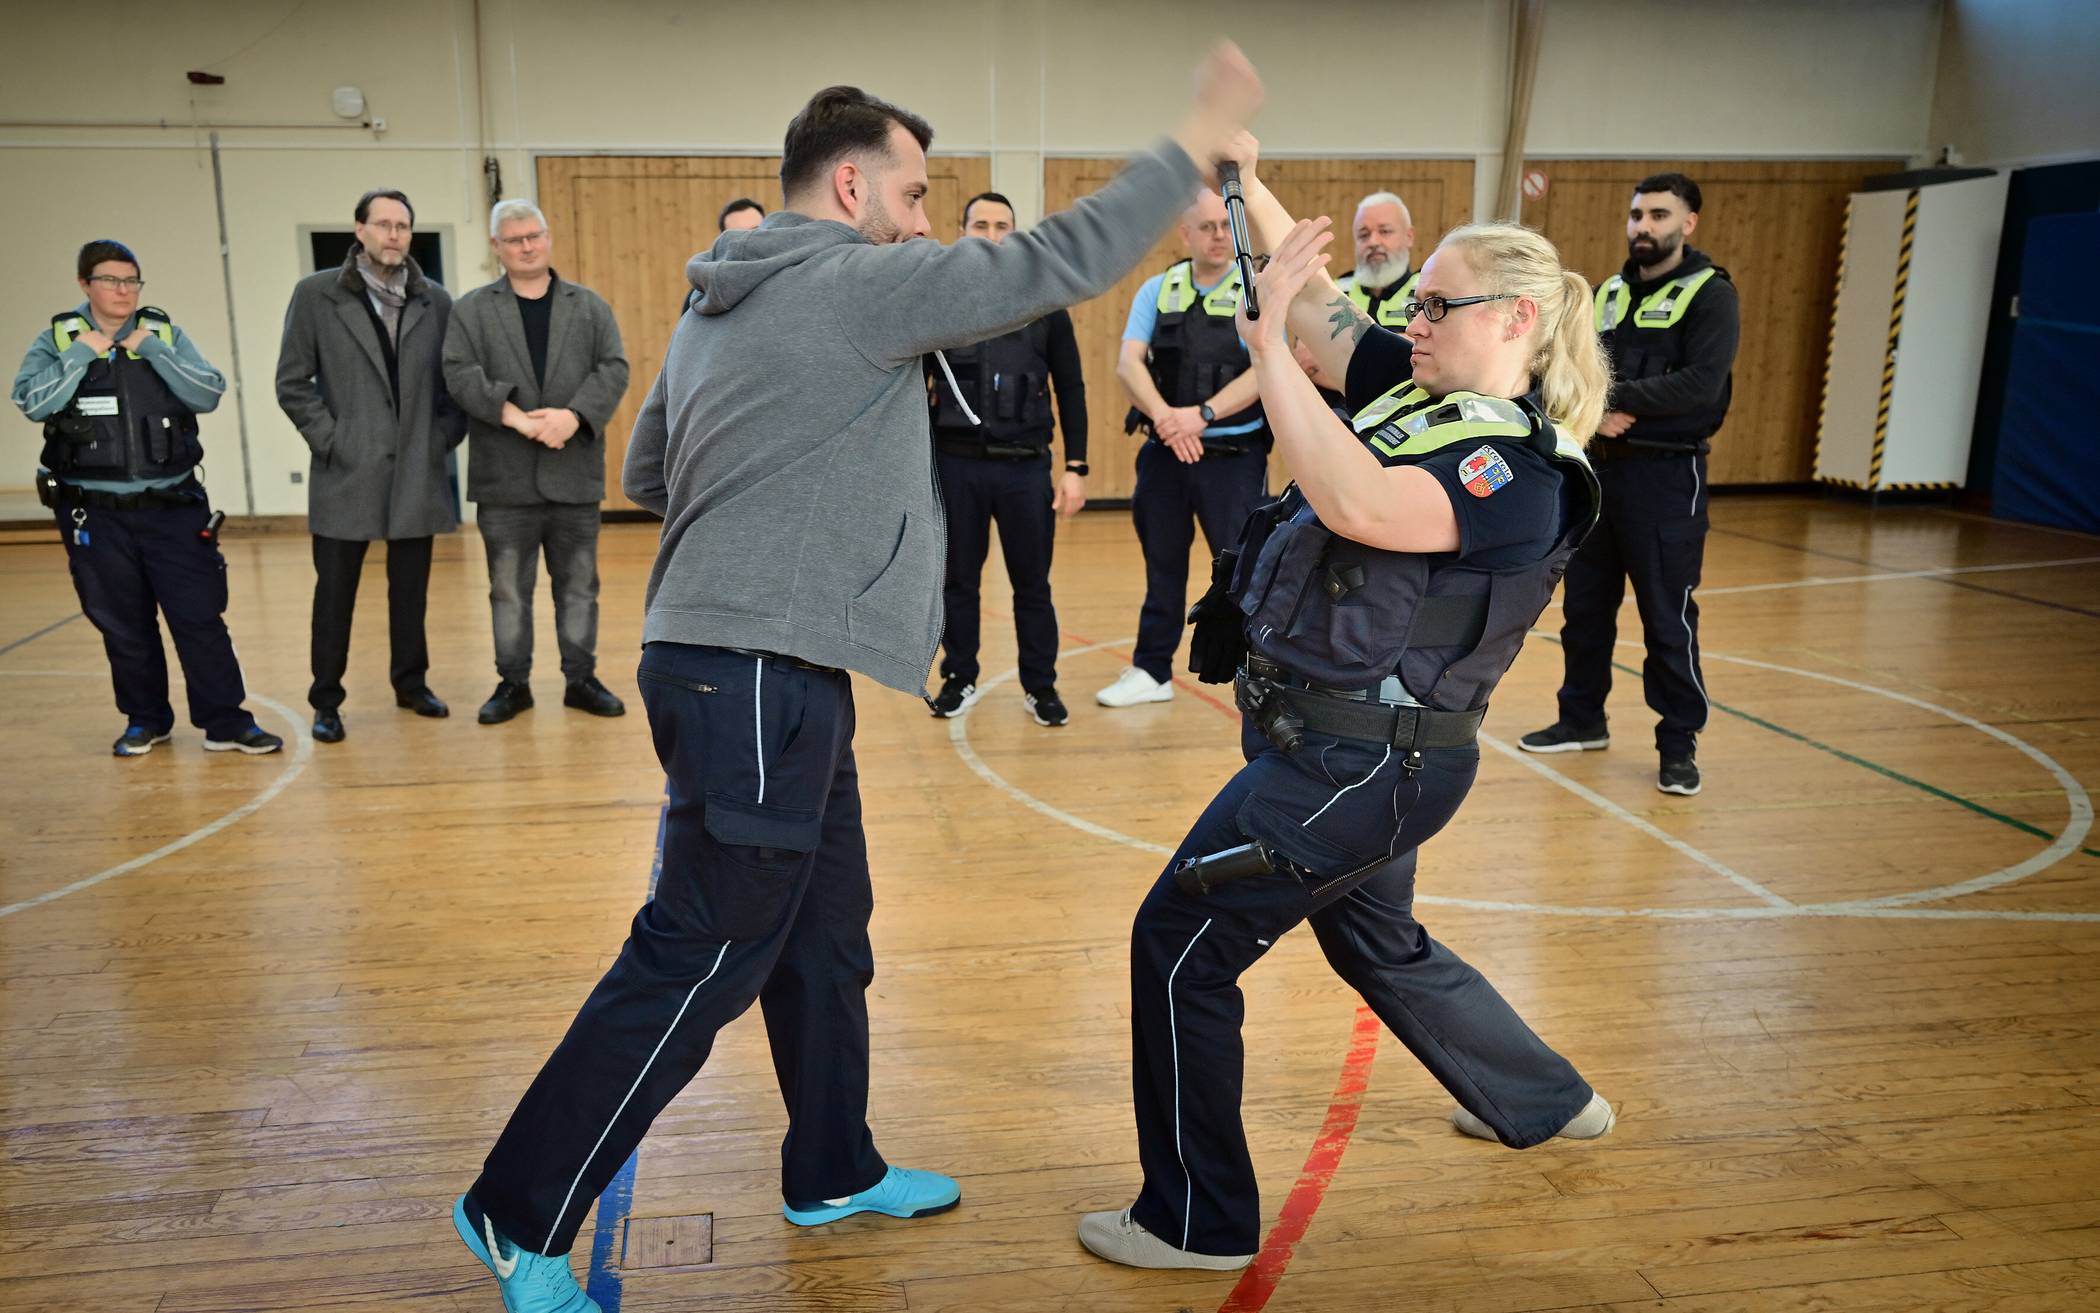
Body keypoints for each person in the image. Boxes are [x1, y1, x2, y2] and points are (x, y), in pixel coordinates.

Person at [451, 50, 1264, 1313]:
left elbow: (649, 469)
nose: (927, 219)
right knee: (703, 950)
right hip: (759, 674)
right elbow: (1059, 259)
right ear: (850, 188)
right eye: (919, 194)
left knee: (825, 935)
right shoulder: (856, 281)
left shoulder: (720, 299)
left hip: (749, 664)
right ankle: (517, 1208)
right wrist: (1191, 142)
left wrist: (774, 521)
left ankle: (831, 1166)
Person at [1077, 139, 1615, 1274]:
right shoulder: (1423, 392)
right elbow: (1321, 309)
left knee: (1177, 942)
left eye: (1436, 305)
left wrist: (1265, 348)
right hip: (1356, 755)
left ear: (1516, 319)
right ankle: (1546, 1098)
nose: (1408, 321)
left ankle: (1197, 1219)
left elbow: (1355, 497)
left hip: (1362, 769)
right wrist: (1243, 182)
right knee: (1379, 942)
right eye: (1411, 306)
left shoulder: (1519, 472)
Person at [10, 240, 281, 757]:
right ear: (84, 284)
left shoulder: (163, 334)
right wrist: (81, 353)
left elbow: (207, 393)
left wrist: (152, 349)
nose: (123, 290)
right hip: (95, 514)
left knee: (200, 618)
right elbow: (31, 401)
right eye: (110, 280)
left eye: (131, 281)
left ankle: (226, 721)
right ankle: (146, 719)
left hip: (173, 509)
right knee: (123, 624)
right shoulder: (58, 340)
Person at [1519, 172, 1739, 796]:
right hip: (1598, 472)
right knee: (1585, 609)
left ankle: (1678, 745)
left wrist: (1610, 398)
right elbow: (1573, 363)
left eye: (1659, 215)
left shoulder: (1710, 294)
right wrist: (1597, 401)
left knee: (1667, 617)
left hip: (1666, 478)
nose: (1644, 226)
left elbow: (1700, 384)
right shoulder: (1609, 291)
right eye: (1637, 215)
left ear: (1688, 222)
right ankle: (1580, 719)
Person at [276, 188, 466, 743]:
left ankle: (411, 685)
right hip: (346, 471)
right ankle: (326, 700)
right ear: (359, 230)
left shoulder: (436, 300)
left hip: (415, 470)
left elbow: (453, 384)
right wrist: (332, 441)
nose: (393, 235)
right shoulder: (316, 295)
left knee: (411, 592)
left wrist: (439, 441)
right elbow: (292, 382)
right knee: (334, 594)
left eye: (402, 226)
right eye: (382, 224)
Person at [443, 199, 632, 726]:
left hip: (573, 474)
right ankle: (513, 683)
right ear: (496, 247)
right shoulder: (472, 310)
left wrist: (573, 416)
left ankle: (580, 679)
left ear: (547, 238)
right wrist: (518, 419)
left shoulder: (589, 306)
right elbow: (458, 373)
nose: (527, 246)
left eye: (535, 235)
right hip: (504, 480)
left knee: (578, 587)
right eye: (515, 238)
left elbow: (614, 367)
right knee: (507, 591)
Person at [924, 190, 1091, 726]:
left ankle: (1040, 686)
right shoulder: (939, 303)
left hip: (1024, 469)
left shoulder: (1045, 306)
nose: (992, 234)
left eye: (1003, 225)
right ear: (963, 229)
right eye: (981, 224)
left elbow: (1071, 388)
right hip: (956, 467)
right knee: (958, 583)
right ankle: (959, 676)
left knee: (1032, 585)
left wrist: (1076, 466)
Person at [1097, 189, 1269, 709]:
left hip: (1233, 462)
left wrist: (1202, 415)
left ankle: (1258, 671)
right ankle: (1152, 672)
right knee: (1162, 568)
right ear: (1185, 234)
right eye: (1207, 226)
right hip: (1165, 457)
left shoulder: (1252, 294)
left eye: (1225, 225)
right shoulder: (1157, 288)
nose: (1219, 235)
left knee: (1242, 572)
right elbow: (1130, 365)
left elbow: (1266, 369)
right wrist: (1170, 422)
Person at [1332, 189, 1419, 328]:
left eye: (1385, 231)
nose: (1373, 242)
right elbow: (1304, 349)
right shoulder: (1334, 292)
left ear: (1409, 237)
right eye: (1364, 234)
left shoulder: (1427, 292)